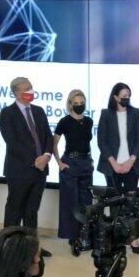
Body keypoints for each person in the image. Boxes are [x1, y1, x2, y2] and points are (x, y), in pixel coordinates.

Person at [0, 76, 52, 234]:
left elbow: (48, 136)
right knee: (15, 210)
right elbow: (12, 143)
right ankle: (9, 244)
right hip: (19, 171)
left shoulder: (39, 111)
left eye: (31, 87)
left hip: (40, 171)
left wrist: (46, 156)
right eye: (27, 89)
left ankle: (31, 245)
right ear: (17, 93)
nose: (31, 91)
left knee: (32, 211)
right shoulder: (7, 113)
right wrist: (35, 161)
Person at [54, 89, 96, 249]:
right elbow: (53, 143)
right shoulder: (64, 121)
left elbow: (86, 142)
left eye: (82, 103)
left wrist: (91, 159)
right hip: (70, 163)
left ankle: (86, 235)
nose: (79, 105)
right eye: (76, 103)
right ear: (70, 104)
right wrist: (59, 163)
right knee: (71, 201)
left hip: (86, 163)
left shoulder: (89, 121)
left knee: (86, 201)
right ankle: (72, 236)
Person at [97, 82, 139, 194]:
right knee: (113, 200)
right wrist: (114, 163)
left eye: (128, 96)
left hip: (132, 165)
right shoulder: (106, 114)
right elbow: (102, 142)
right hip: (111, 166)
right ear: (115, 97)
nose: (127, 98)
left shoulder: (135, 113)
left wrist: (130, 161)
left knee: (131, 200)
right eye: (124, 96)